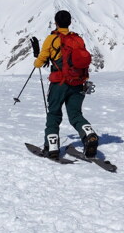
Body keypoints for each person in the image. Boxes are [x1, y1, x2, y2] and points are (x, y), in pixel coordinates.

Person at [34, 10, 98, 158]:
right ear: (70, 22)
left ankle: (51, 146)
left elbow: (40, 62)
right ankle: (89, 134)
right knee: (75, 114)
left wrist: (37, 58)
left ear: (55, 22)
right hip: (78, 83)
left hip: (59, 84)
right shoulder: (78, 40)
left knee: (54, 114)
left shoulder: (52, 39)